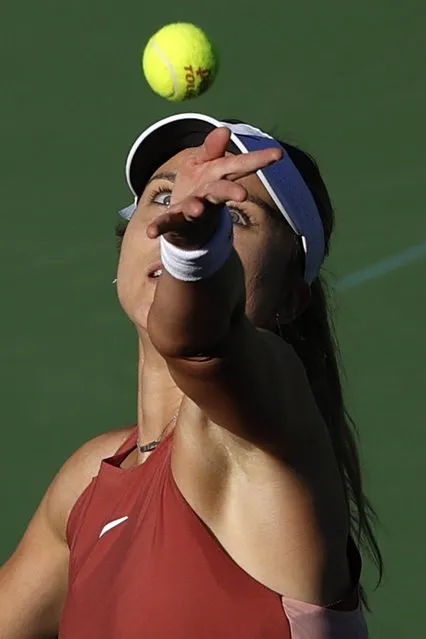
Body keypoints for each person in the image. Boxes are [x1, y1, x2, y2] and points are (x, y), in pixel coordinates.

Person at [0, 113, 382, 638]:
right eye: (162, 197)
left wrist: (197, 249)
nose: (182, 211)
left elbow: (199, 341)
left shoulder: (260, 432)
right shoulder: (88, 480)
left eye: (232, 215)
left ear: (292, 298)